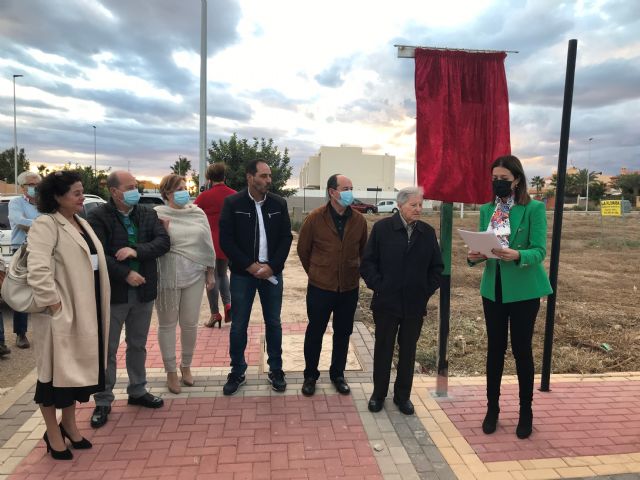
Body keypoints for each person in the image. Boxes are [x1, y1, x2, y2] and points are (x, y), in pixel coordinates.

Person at [467, 155, 552, 439]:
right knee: (495, 350)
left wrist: (518, 255)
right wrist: (474, 256)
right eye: (494, 179)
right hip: (494, 290)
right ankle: (492, 409)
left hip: (524, 291)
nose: (498, 184)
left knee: (521, 351)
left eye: (503, 179)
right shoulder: (486, 209)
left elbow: (540, 250)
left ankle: (525, 411)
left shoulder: (534, 209)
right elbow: (483, 249)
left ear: (516, 180)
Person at [27, 171, 110, 460]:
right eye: (75, 193)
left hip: (86, 311)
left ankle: (70, 426)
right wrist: (54, 306)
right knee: (52, 378)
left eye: (81, 191)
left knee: (74, 376)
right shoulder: (45, 224)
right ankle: (53, 434)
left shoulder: (81, 222)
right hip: (60, 316)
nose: (81, 197)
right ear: (56, 197)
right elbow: (37, 269)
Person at [89, 171, 170, 428]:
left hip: (144, 292)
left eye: (137, 186)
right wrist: (126, 274)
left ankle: (137, 390)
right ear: (114, 192)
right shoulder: (98, 216)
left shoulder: (147, 213)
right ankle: (103, 399)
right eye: (130, 187)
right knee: (108, 348)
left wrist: (136, 250)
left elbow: (163, 242)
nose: (136, 191)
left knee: (137, 344)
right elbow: (98, 253)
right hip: (114, 293)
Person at [361, 187, 443, 415]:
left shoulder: (427, 232)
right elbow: (368, 263)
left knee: (408, 351)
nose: (418, 209)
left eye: (420, 205)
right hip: (386, 303)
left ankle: (402, 396)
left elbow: (437, 267)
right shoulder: (382, 229)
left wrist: (424, 290)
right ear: (400, 205)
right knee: (383, 349)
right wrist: (380, 285)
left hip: (414, 305)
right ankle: (378, 395)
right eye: (413, 205)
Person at [219, 159, 293, 395]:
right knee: (239, 324)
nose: (268, 180)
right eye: (263, 176)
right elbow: (226, 241)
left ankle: (276, 369)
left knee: (274, 322)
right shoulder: (233, 203)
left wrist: (273, 266)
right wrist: (249, 266)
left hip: (272, 275)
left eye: (269, 176)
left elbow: (286, 238)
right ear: (250, 177)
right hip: (243, 275)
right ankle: (238, 371)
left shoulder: (278, 203)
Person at [297, 174, 367, 396]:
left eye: (352, 187)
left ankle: (338, 374)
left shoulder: (359, 220)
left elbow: (364, 251)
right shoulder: (315, 218)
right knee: (315, 331)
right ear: (332, 192)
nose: (350, 192)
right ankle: (310, 375)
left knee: (343, 333)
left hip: (348, 287)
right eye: (345, 188)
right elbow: (303, 250)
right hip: (320, 287)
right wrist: (317, 272)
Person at [155, 174, 216, 394]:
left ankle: (186, 365)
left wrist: (211, 273)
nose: (184, 192)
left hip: (195, 275)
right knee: (167, 325)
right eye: (178, 189)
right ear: (167, 194)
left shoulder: (197, 213)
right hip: (167, 276)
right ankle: (171, 370)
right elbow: (154, 244)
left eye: (185, 187)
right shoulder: (157, 214)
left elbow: (207, 244)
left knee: (190, 324)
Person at [194, 163, 236, 328]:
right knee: (223, 274)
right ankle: (228, 304)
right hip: (227, 242)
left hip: (208, 243)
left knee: (210, 278)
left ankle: (214, 314)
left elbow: (193, 213)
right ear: (224, 176)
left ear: (209, 178)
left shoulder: (205, 196)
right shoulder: (233, 195)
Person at [8, 171, 43, 349]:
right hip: (22, 250)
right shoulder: (16, 203)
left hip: (43, 250)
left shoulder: (45, 203)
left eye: (37, 185)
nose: (34, 188)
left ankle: (46, 329)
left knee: (44, 288)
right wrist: (43, 224)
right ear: (22, 187)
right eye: (31, 185)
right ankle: (21, 333)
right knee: (22, 291)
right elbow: (19, 221)